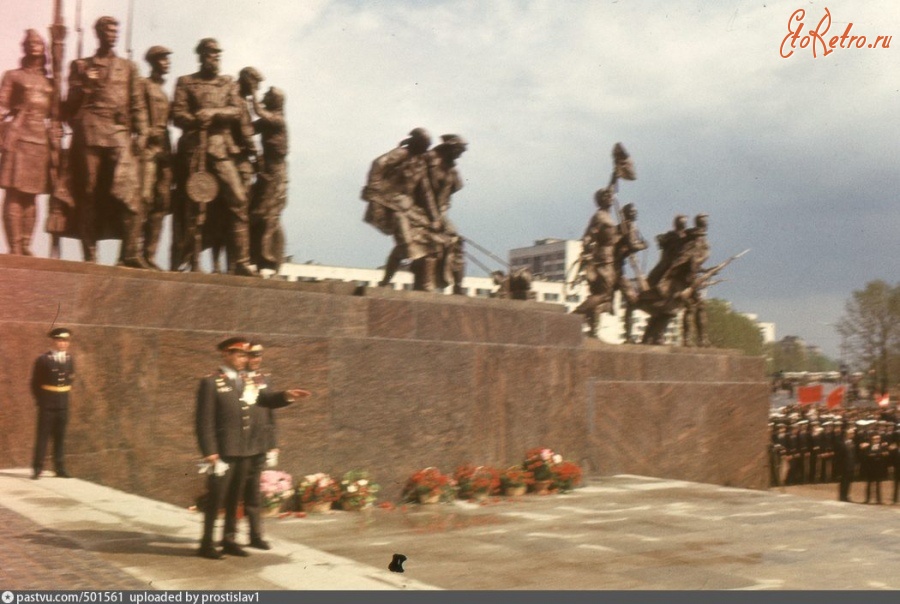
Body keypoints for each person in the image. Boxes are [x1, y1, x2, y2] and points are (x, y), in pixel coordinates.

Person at [195, 336, 310, 559]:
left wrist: (286, 396)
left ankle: (229, 539)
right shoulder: (211, 382)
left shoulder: (248, 381)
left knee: (235, 498)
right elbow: (204, 421)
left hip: (245, 450)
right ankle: (207, 542)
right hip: (223, 451)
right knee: (217, 498)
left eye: (245, 355)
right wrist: (209, 452)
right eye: (239, 355)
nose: (243, 359)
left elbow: (265, 399)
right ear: (225, 355)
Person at [64, 16, 148, 267]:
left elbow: (137, 103)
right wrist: (85, 85)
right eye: (107, 31)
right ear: (98, 34)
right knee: (88, 192)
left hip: (119, 132)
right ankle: (90, 254)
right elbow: (69, 106)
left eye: (115, 31)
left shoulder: (128, 67)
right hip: (90, 130)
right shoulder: (81, 65)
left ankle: (131, 252)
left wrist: (142, 132)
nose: (112, 35)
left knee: (129, 191)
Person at [172, 39, 255, 276]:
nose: (215, 59)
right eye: (211, 55)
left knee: (238, 200)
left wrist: (214, 113)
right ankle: (189, 260)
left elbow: (236, 110)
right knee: (193, 206)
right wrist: (195, 119)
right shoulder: (186, 82)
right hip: (194, 149)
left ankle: (241, 260)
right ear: (201, 56)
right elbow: (177, 115)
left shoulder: (227, 82)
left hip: (220, 151)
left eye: (218, 55)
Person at [361, 128, 439, 289]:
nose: (425, 150)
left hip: (406, 207)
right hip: (388, 204)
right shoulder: (401, 153)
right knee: (406, 240)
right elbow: (378, 164)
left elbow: (426, 193)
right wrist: (373, 190)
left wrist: (434, 217)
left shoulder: (421, 163)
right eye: (424, 146)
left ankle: (388, 280)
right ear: (416, 143)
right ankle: (417, 271)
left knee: (419, 241)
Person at [0, 30, 55, 256]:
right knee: (15, 192)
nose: (35, 45)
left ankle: (25, 244)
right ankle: (14, 245)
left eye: (39, 42)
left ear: (44, 48)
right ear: (25, 47)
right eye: (31, 42)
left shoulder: (51, 81)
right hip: (19, 138)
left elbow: (59, 112)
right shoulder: (13, 76)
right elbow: (2, 105)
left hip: (40, 140)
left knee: (32, 194)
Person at [249, 87, 288, 272]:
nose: (264, 95)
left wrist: (252, 93)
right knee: (261, 213)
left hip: (277, 173)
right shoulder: (267, 122)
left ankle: (267, 255)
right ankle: (259, 255)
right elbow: (247, 129)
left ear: (274, 100)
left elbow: (258, 111)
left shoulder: (277, 120)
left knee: (268, 214)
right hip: (268, 171)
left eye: (267, 94)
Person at [424, 134, 467, 293]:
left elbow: (446, 198)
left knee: (456, 241)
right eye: (458, 151)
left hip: (439, 213)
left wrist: (440, 216)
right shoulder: (428, 160)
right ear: (450, 148)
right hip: (418, 210)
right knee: (433, 242)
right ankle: (427, 282)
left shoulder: (452, 172)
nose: (460, 155)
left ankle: (458, 285)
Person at [30, 327, 75, 479]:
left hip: (63, 405)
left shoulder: (69, 359)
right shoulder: (43, 360)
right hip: (47, 405)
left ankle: (59, 467)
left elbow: (70, 381)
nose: (63, 343)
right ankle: (38, 468)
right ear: (53, 341)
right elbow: (35, 384)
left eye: (66, 341)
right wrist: (41, 401)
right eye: (60, 340)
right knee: (42, 436)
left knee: (60, 436)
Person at [573, 187, 618, 337]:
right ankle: (575, 316)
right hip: (603, 259)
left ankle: (593, 330)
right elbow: (588, 235)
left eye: (610, 196)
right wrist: (587, 248)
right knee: (603, 294)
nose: (611, 198)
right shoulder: (600, 216)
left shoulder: (605, 215)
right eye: (607, 196)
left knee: (598, 294)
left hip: (607, 258)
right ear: (601, 200)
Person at [834, 426, 856, 502]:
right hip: (843, 466)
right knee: (843, 482)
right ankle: (842, 496)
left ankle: (846, 495)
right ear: (847, 434)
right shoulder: (841, 444)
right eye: (851, 433)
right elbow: (838, 457)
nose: (853, 434)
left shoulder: (852, 443)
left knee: (848, 482)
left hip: (850, 465)